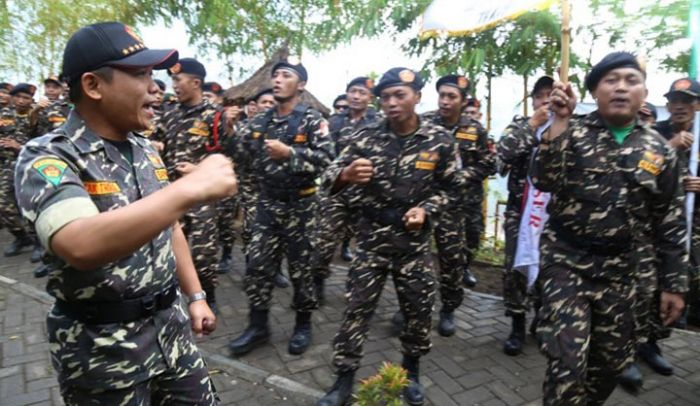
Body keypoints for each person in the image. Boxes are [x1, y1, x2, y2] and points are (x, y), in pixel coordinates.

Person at [14, 21, 236, 404]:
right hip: (103, 354)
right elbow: (78, 242)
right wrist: (188, 189)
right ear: (93, 85)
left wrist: (196, 295)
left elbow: (170, 226)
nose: (155, 87)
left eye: (153, 74)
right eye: (140, 74)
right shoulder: (48, 155)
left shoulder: (146, 149)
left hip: (172, 334)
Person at [530, 52, 687, 405]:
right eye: (610, 80)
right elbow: (543, 180)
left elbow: (671, 220)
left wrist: (673, 284)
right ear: (595, 91)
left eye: (631, 80)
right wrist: (558, 122)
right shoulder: (571, 131)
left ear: (644, 92)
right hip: (567, 263)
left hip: (624, 273)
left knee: (610, 365)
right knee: (567, 365)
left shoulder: (660, 150)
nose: (620, 88)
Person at [316, 67, 467, 406]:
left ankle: (410, 373)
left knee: (417, 314)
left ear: (417, 97)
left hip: (413, 246)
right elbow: (327, 178)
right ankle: (342, 380)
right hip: (370, 242)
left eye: (400, 95)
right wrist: (345, 174)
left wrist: (427, 209)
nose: (392, 102)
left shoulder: (439, 140)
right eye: (386, 97)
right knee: (356, 312)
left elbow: (454, 189)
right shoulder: (365, 137)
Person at [227, 61, 333, 357]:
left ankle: (303, 325)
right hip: (267, 204)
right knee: (258, 267)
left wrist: (291, 154)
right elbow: (240, 153)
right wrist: (230, 129)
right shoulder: (262, 121)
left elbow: (327, 159)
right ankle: (258, 326)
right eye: (275, 75)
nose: (277, 80)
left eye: (286, 75)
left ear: (301, 85)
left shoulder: (312, 120)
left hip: (301, 205)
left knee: (301, 270)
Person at [410, 74, 495, 337]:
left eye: (452, 97)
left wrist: (464, 176)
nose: (445, 102)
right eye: (442, 96)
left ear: (463, 100)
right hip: (423, 203)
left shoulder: (474, 130)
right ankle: (410, 307)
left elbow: (489, 162)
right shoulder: (423, 122)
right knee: (412, 258)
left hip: (456, 206)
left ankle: (448, 307)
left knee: (451, 260)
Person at [156, 57, 228, 313]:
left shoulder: (215, 117)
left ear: (195, 82)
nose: (173, 85)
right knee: (171, 249)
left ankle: (209, 294)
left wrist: (199, 171)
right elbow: (156, 140)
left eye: (177, 80)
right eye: (172, 80)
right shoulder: (169, 113)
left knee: (202, 254)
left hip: (202, 197)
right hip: (172, 193)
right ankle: (177, 295)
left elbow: (228, 158)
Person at [497, 75, 553, 356]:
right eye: (540, 95)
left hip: (554, 218)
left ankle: (541, 321)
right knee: (515, 271)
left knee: (550, 272)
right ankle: (517, 325)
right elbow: (501, 157)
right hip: (519, 213)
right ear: (533, 101)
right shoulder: (519, 126)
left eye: (551, 93)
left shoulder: (571, 129)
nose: (546, 99)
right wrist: (532, 126)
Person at [312, 76, 379, 304]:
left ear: (370, 98)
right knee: (323, 241)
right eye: (353, 91)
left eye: (362, 93)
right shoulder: (333, 121)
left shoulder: (378, 122)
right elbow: (322, 153)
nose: (356, 96)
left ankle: (355, 288)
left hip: (364, 195)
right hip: (335, 191)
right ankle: (317, 282)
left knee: (364, 246)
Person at [0, 83, 37, 258]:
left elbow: (45, 143)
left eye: (26, 98)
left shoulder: (37, 116)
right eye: (18, 97)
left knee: (31, 205)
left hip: (29, 165)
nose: (22, 101)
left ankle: (39, 242)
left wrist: (20, 147)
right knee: (4, 206)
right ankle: (22, 236)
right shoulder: (4, 114)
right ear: (12, 97)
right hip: (7, 166)